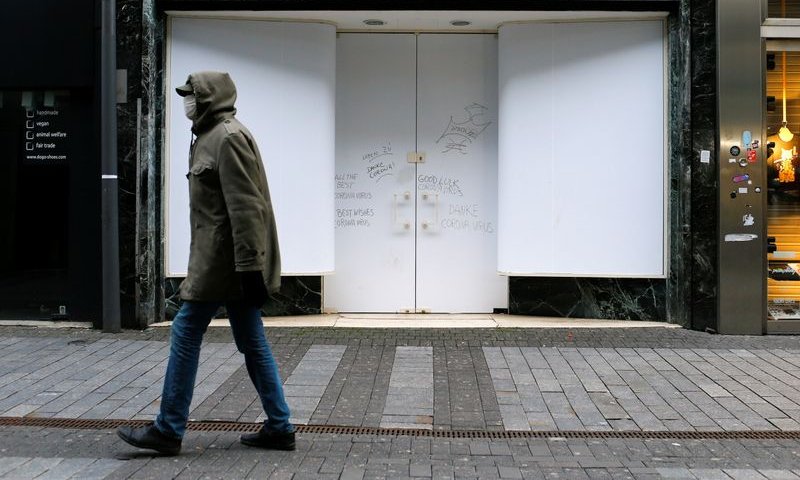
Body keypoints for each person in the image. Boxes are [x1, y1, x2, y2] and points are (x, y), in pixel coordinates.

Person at [117, 71, 293, 455]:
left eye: (191, 95)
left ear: (209, 97)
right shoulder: (209, 136)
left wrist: (250, 269)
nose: (187, 102)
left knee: (185, 332)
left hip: (225, 265)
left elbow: (247, 208)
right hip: (220, 262)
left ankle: (168, 429)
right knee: (251, 339)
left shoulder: (228, 138)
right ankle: (279, 426)